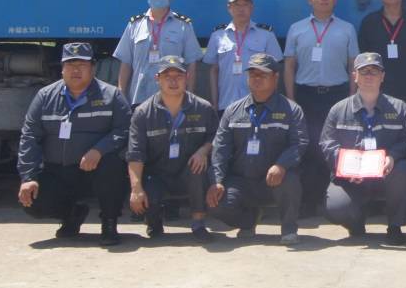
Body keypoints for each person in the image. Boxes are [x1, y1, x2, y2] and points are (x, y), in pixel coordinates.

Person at [17, 42, 132, 246]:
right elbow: (29, 136)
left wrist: (99, 150)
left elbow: (125, 129)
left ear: (93, 68)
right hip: (57, 171)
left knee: (113, 166)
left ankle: (109, 223)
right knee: (32, 201)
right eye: (70, 65)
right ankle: (71, 214)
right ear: (62, 68)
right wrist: (29, 177)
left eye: (82, 65)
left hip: (94, 170)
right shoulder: (45, 96)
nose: (76, 70)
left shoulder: (111, 95)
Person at [207, 53, 308, 244]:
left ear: (275, 77)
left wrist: (281, 165)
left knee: (291, 180)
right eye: (253, 74)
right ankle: (248, 221)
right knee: (216, 204)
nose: (257, 79)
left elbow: (299, 143)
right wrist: (218, 180)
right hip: (241, 180)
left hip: (274, 179)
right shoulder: (233, 110)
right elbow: (220, 148)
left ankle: (288, 228)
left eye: (263, 74)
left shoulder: (291, 110)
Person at [319, 52, 406, 245]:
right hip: (350, 178)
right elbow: (327, 144)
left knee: (404, 170)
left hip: (387, 174)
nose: (369, 76)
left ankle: (395, 226)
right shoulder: (339, 109)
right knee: (336, 208)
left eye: (374, 71)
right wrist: (346, 167)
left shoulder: (399, 108)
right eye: (364, 72)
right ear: (355, 76)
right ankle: (355, 221)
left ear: (382, 76)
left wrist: (392, 156)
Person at [283, 0, 359, 215]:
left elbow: (353, 66)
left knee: (336, 146)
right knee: (308, 147)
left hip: (337, 95)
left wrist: (352, 98)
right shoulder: (297, 29)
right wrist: (291, 99)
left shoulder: (347, 29)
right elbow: (289, 66)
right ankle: (308, 201)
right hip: (306, 95)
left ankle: (336, 200)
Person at [126, 55, 219, 242]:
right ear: (157, 79)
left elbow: (216, 136)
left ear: (187, 78)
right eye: (167, 76)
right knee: (148, 196)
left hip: (188, 172)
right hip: (157, 174)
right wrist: (136, 189)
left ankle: (198, 224)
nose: (173, 81)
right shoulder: (143, 112)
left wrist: (203, 151)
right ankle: (153, 221)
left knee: (198, 169)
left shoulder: (203, 108)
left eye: (179, 76)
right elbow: (136, 153)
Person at [114, 0, 203, 106]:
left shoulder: (183, 26)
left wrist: (189, 98)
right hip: (138, 100)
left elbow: (191, 65)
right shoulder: (134, 25)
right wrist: (121, 95)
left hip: (172, 102)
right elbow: (126, 63)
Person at [204, 0, 282, 114]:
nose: (241, 9)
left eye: (245, 5)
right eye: (236, 5)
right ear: (229, 8)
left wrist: (272, 102)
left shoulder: (266, 34)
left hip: (259, 104)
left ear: (252, 8)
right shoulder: (217, 35)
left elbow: (275, 71)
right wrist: (215, 102)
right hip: (226, 103)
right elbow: (214, 70)